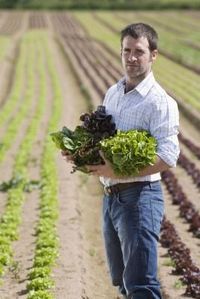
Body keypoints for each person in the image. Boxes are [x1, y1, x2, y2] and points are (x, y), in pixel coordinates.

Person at [63, 23, 180, 299]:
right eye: (126, 50)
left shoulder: (160, 102)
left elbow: (168, 155)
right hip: (111, 198)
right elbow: (101, 136)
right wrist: (79, 154)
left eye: (139, 51)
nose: (131, 58)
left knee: (142, 285)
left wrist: (118, 170)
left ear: (153, 55)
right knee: (122, 280)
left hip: (140, 199)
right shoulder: (114, 93)